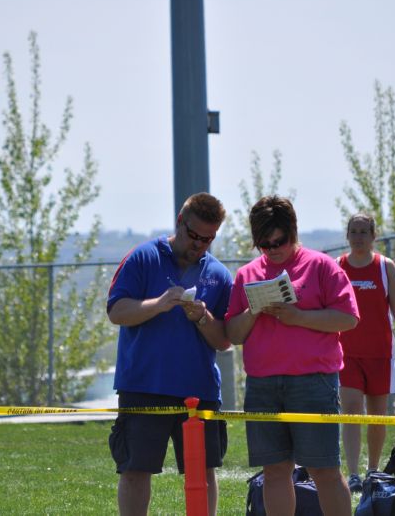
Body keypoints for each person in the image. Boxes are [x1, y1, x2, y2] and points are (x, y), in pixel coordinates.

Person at [225, 196, 360, 516]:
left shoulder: (321, 266)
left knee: (323, 470)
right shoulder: (247, 274)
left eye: (279, 241)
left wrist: (298, 316)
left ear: (293, 232)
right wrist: (253, 311)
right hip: (262, 385)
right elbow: (233, 334)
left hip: (314, 383)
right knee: (274, 471)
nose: (272, 249)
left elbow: (348, 318)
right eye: (264, 244)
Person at [106, 192, 233, 516]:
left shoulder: (218, 275)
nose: (199, 245)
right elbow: (117, 311)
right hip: (143, 386)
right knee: (135, 471)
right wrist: (159, 304)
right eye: (194, 235)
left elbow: (224, 341)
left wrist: (203, 318)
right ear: (180, 221)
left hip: (199, 390)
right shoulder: (143, 257)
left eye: (208, 239)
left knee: (203, 472)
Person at [336, 213, 395, 492]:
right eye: (354, 231)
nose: (358, 237)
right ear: (347, 235)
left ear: (373, 236)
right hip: (346, 352)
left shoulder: (385, 266)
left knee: (377, 415)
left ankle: (373, 470)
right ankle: (354, 472)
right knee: (351, 411)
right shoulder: (338, 266)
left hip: (380, 352)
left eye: (363, 232)